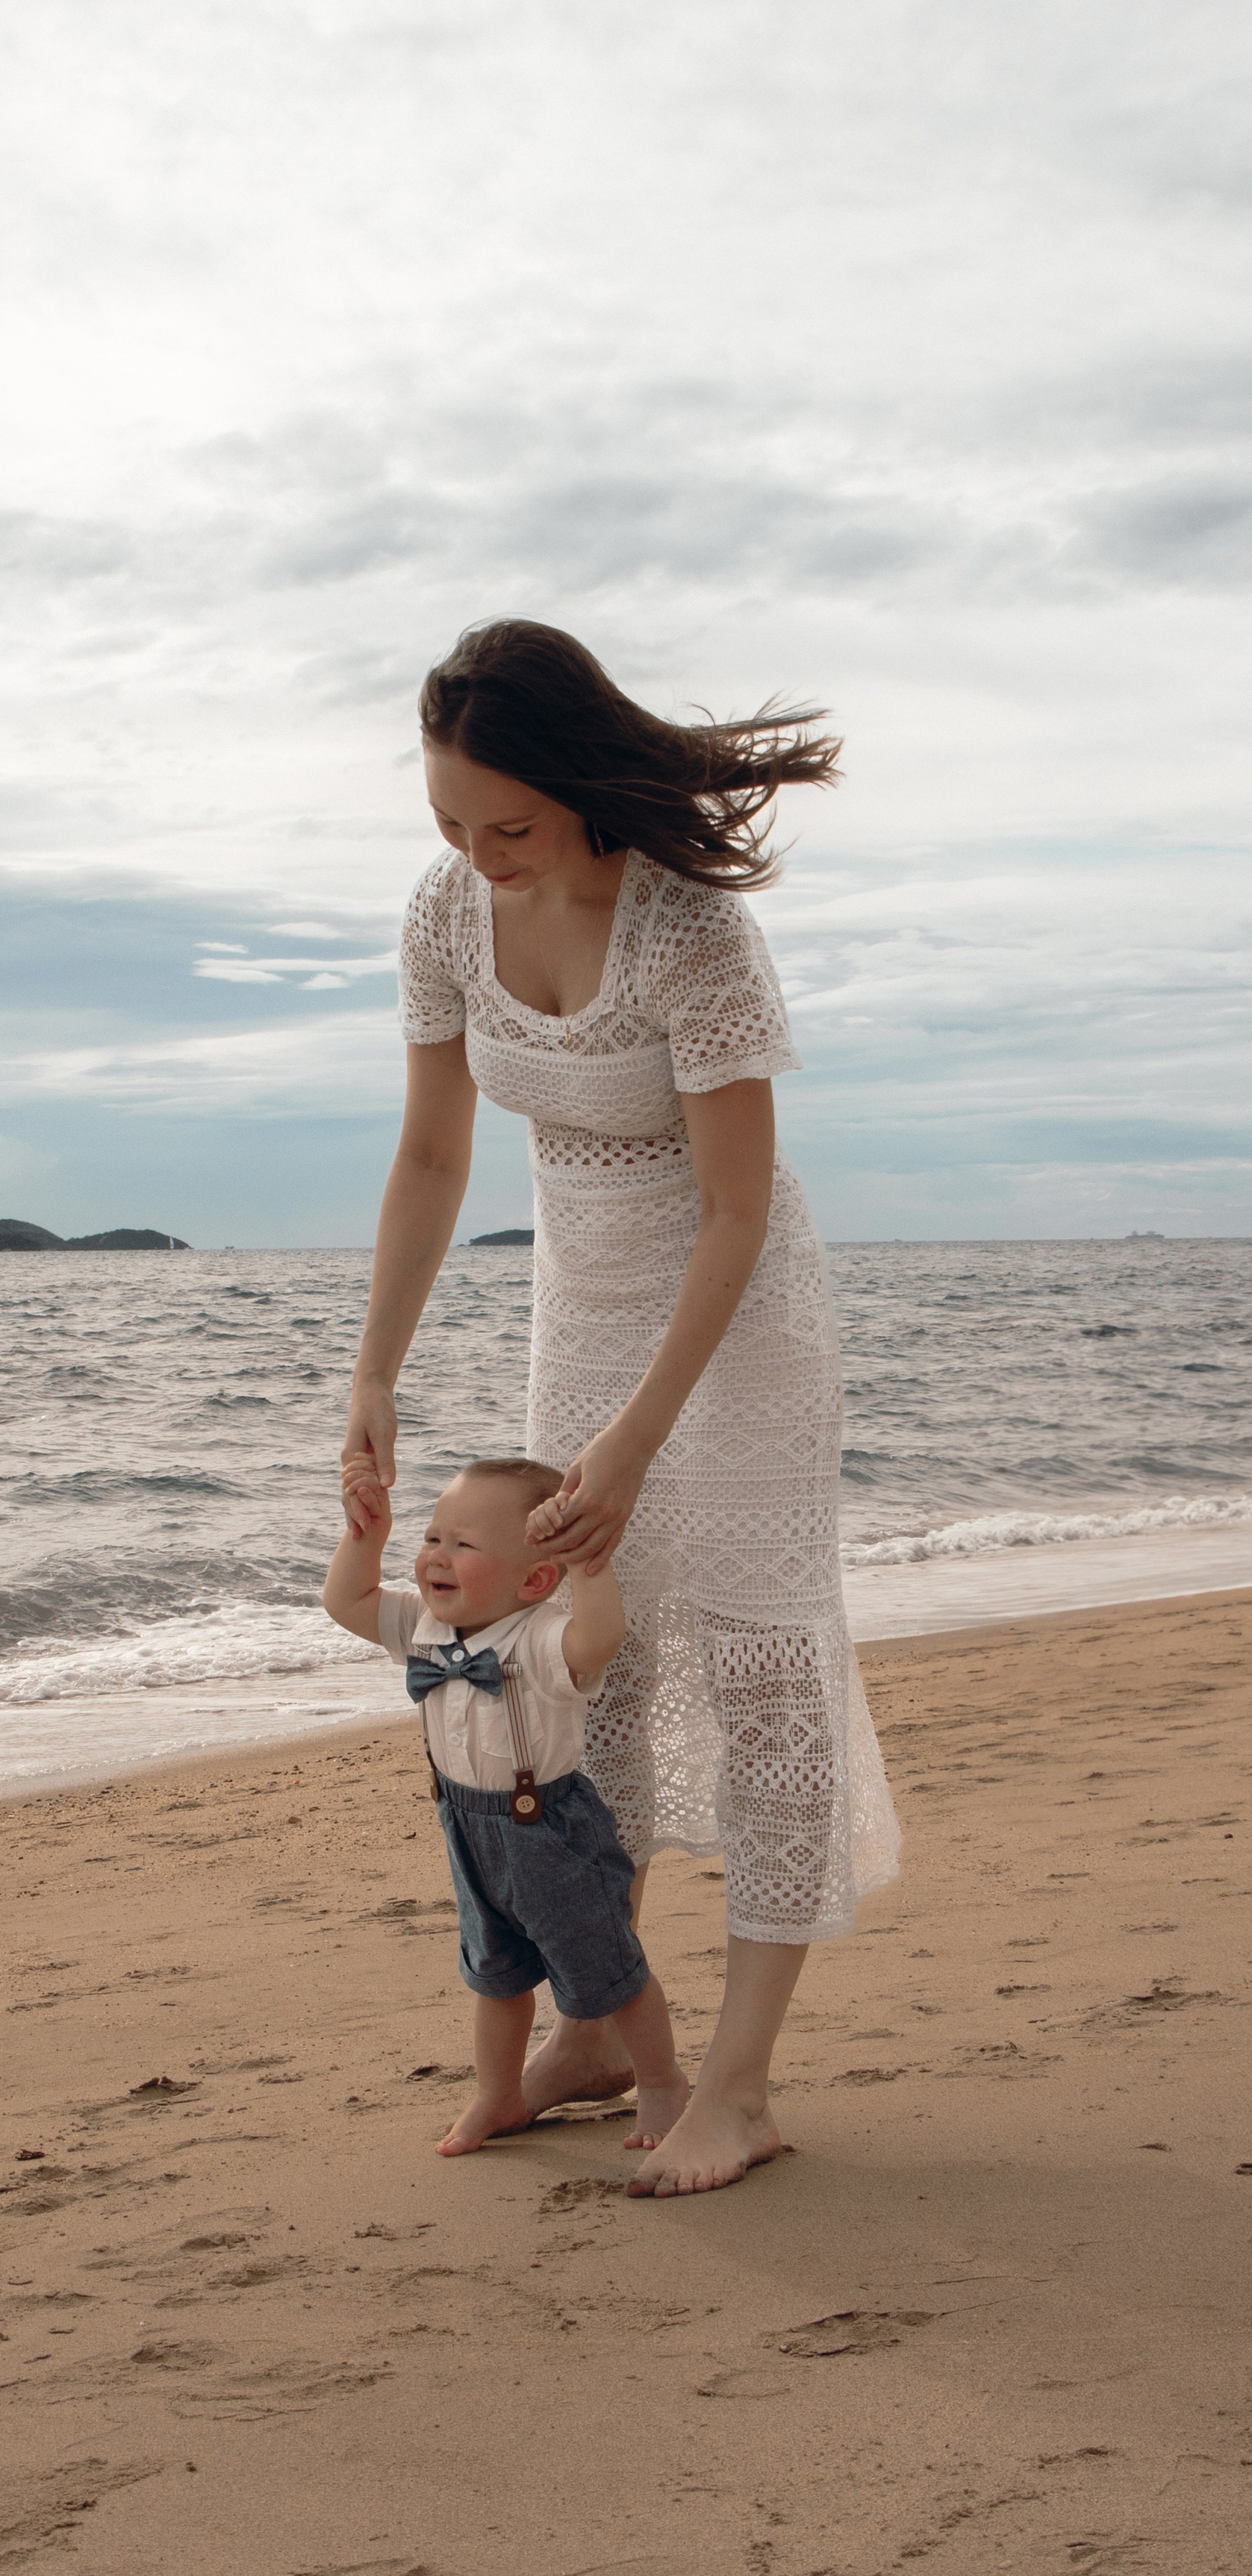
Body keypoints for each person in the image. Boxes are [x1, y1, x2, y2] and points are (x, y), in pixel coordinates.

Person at [340, 619, 900, 2198]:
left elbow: (731, 1213)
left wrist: (639, 1438)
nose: (476, 857)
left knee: (759, 1665)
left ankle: (735, 2085)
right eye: (448, 825)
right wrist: (375, 1370)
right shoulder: (446, 918)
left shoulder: (688, 935)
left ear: (580, 792)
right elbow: (433, 1157)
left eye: (503, 826)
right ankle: (600, 2020)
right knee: (599, 1668)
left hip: (735, 1327)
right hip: (576, 1314)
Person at [324, 1452, 685, 2159]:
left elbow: (598, 1639)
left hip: (548, 1829)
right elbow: (346, 1602)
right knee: (496, 1974)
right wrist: (365, 1534)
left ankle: (663, 2081)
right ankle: (499, 2094)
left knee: (610, 1969)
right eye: (432, 1538)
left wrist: (589, 1567)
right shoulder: (423, 1627)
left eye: (464, 1545)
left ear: (536, 1578)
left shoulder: (541, 1637)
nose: (438, 1555)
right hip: (466, 1828)